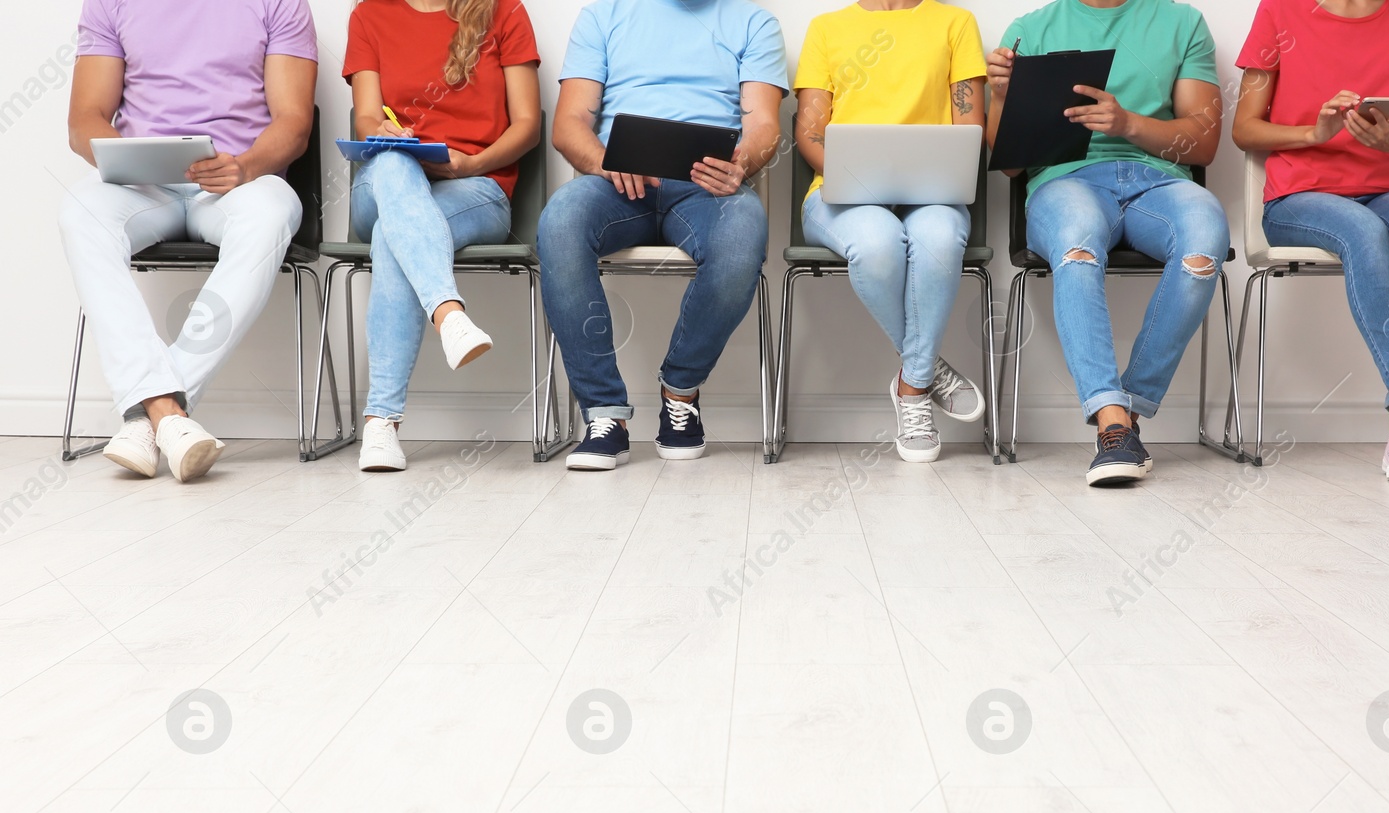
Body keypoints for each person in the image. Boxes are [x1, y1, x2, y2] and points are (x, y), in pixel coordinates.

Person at [60, 0, 318, 482]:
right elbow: (85, 119)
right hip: (141, 186)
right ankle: (168, 414)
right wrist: (124, 160)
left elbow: (294, 122)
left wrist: (247, 166)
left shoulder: (280, 3)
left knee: (272, 211)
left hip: (236, 181)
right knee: (79, 210)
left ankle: (150, 413)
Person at [1233, 0, 1389, 480]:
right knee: (1364, 231)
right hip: (1299, 198)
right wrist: (1315, 132)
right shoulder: (1280, 11)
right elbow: (1244, 129)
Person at [985, 0, 1229, 487]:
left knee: (1205, 239)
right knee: (1077, 244)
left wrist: (1128, 124)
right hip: (1065, 184)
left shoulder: (1182, 23)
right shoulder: (1031, 30)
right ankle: (1111, 421)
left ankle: (1128, 412)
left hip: (1158, 183)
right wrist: (1003, 97)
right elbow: (1009, 165)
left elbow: (1202, 144)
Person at [537, 0, 787, 471]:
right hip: (615, 182)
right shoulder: (603, 16)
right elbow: (569, 124)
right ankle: (604, 415)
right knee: (560, 220)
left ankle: (680, 391)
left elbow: (764, 126)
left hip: (706, 188)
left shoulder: (754, 22)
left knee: (743, 232)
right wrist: (605, 161)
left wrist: (740, 164)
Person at [343, 0, 541, 472]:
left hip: (476, 186)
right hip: (384, 181)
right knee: (394, 162)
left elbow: (529, 125)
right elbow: (366, 117)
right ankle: (448, 312)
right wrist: (388, 132)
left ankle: (381, 425)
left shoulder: (505, 11)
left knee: (397, 237)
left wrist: (470, 163)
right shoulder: (369, 15)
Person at [795, 0, 988, 463]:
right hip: (840, 196)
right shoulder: (826, 28)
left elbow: (970, 127)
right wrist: (864, 185)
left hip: (935, 194)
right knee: (877, 241)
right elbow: (809, 134)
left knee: (940, 236)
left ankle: (913, 387)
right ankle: (926, 371)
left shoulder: (956, 23)